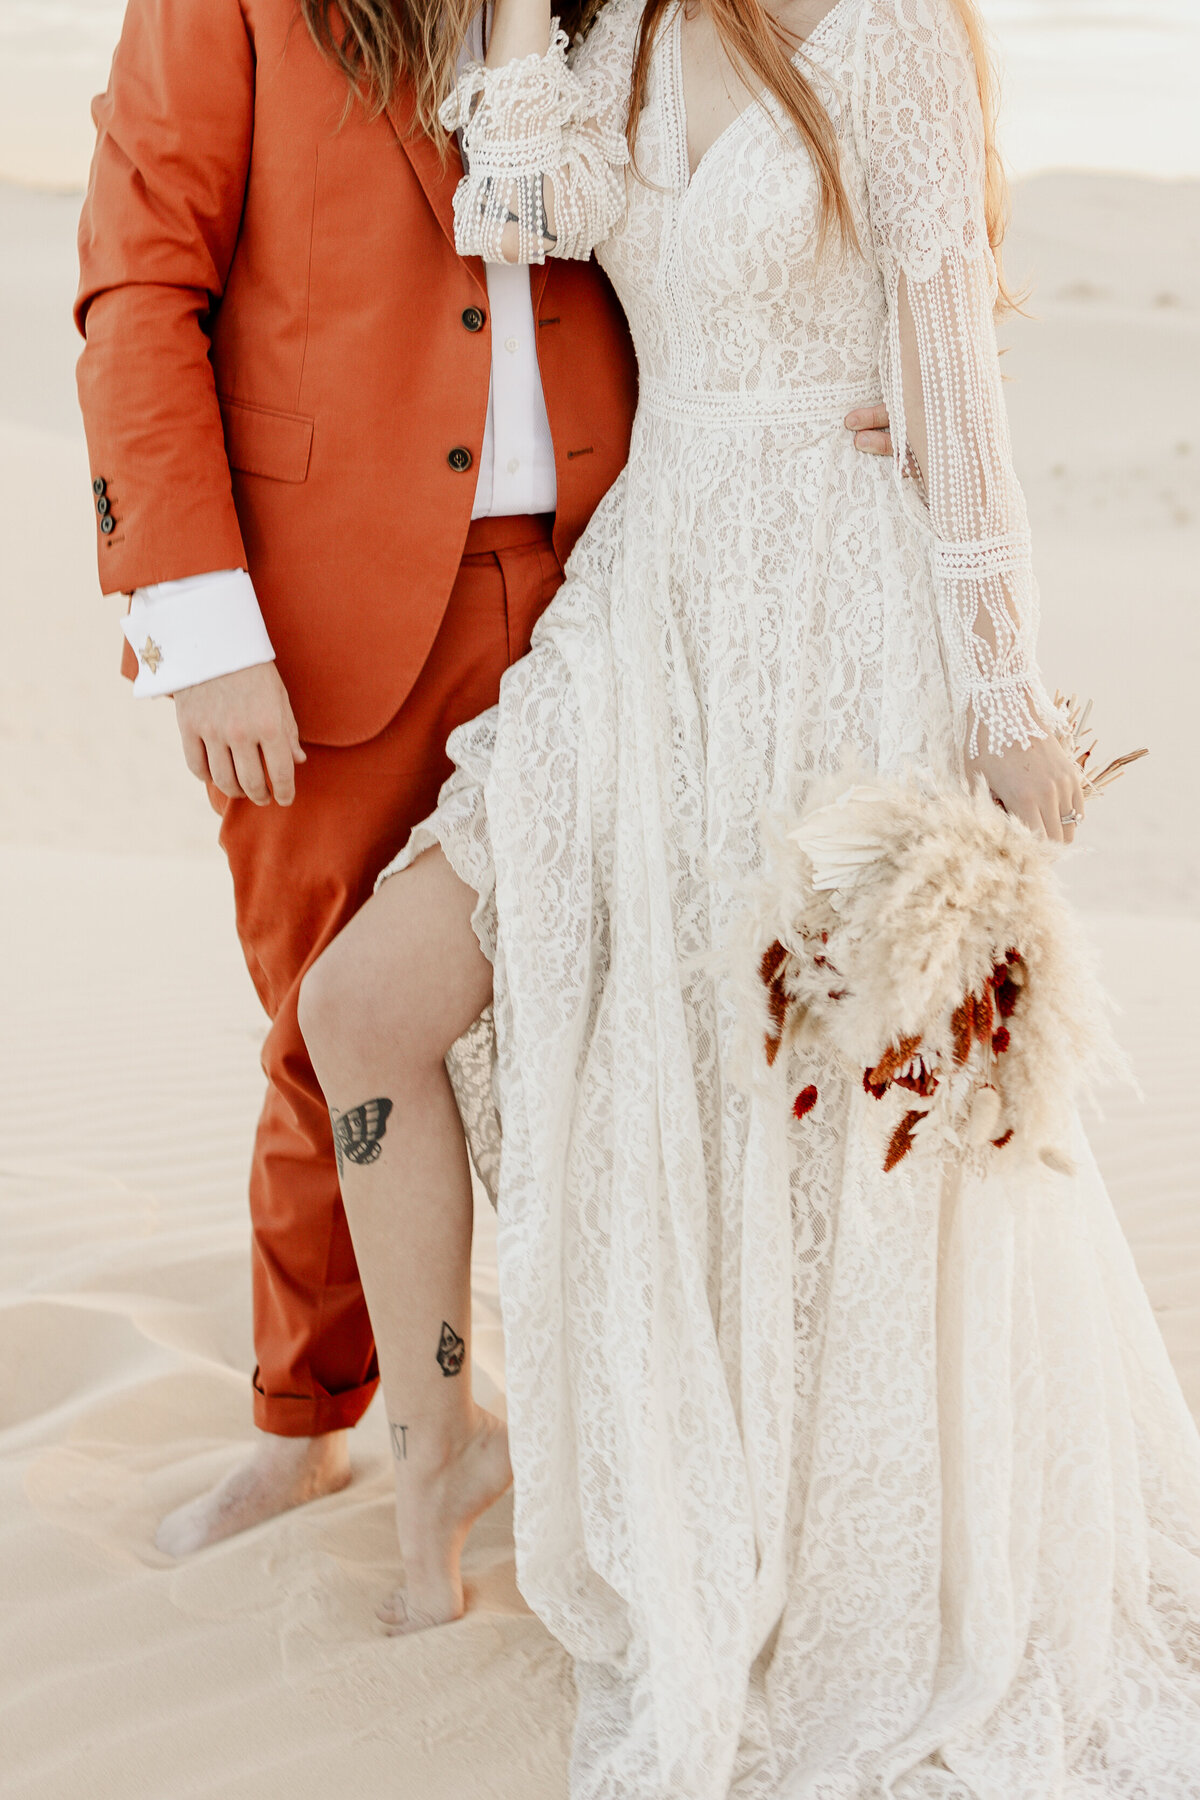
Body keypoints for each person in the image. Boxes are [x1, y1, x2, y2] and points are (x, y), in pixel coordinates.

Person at [300, 0, 1200, 1791]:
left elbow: (955, 381)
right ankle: (450, 1455)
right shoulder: (617, 32)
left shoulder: (893, 39)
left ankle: (841, 1555)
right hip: (654, 621)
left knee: (830, 1135)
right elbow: (515, 210)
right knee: (367, 1004)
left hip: (845, 626)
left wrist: (1007, 701)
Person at [74, 0, 892, 1558]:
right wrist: (194, 614)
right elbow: (137, 284)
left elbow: (801, 169)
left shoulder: (621, 6)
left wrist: (895, 381)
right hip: (325, 619)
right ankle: (311, 1426)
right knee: (336, 1026)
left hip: (622, 581)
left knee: (641, 1022)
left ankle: (648, 1429)